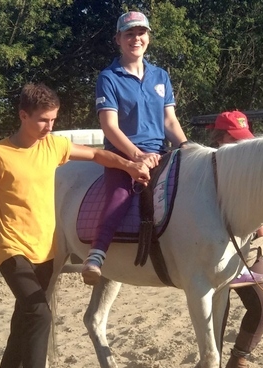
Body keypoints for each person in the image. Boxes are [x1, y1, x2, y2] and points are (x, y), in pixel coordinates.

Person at [0, 83, 149, 368]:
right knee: (41, 314)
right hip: (12, 251)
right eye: (44, 120)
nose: (50, 126)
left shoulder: (54, 146)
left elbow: (97, 155)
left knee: (24, 323)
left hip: (46, 251)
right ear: (23, 115)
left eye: (54, 119)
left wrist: (129, 164)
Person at [82, 10, 188, 285]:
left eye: (141, 33)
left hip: (160, 153)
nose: (136, 38)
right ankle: (96, 254)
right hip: (122, 154)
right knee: (119, 197)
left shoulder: (161, 76)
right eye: (129, 34)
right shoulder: (109, 77)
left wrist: (187, 148)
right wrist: (137, 155)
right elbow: (110, 127)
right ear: (118, 39)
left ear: (148, 38)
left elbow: (169, 121)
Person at [210, 111, 263, 368]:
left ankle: (238, 360)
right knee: (217, 310)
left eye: (243, 140)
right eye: (233, 140)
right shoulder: (207, 168)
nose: (240, 146)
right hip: (214, 250)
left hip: (247, 248)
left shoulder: (248, 169)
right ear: (219, 139)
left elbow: (257, 212)